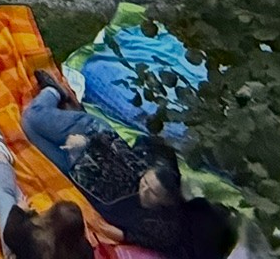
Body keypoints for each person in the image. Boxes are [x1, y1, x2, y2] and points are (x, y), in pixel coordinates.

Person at [20, 75, 238, 259]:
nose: (143, 187)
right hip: (92, 135)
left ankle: (65, 108)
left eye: (150, 191)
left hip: (78, 170)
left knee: (29, 128)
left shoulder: (162, 232)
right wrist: (85, 143)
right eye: (146, 182)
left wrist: (98, 227)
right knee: (34, 116)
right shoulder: (168, 180)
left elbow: (124, 234)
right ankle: (54, 91)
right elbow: (152, 147)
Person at [0, 122, 94, 259]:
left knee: (6, 193)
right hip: (29, 241)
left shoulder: (32, 239)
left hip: (19, 248)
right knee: (18, 196)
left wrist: (20, 210)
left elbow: (10, 233)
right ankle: (1, 162)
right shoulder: (85, 252)